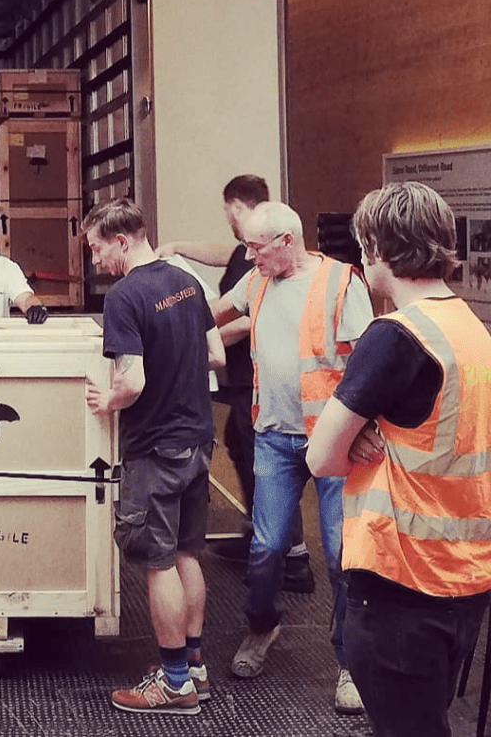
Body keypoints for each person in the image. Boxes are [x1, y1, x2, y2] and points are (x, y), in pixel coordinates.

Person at [307, 182, 491, 737]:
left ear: (376, 250)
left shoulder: (394, 336)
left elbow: (320, 457)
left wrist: (358, 434)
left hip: (400, 579)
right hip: (465, 576)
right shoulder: (469, 325)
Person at [211, 201, 372, 713]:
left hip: (332, 441)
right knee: (266, 546)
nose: (249, 255)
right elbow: (217, 314)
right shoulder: (257, 280)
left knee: (339, 553)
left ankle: (349, 663)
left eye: (257, 247)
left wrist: (365, 427)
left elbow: (370, 362)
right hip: (275, 436)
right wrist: (162, 314)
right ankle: (262, 626)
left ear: (287, 241)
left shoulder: (342, 283)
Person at [82, 199, 224, 715]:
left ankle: (173, 685)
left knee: (158, 562)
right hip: (198, 440)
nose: (95, 261)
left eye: (97, 249)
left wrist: (108, 400)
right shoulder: (184, 281)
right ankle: (194, 667)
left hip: (155, 449)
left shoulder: (125, 297)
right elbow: (215, 354)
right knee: (187, 554)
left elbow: (134, 382)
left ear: (122, 241)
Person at [159, 175, 314, 592]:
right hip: (249, 379)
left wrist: (196, 338)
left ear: (236, 206)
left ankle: (292, 555)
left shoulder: (269, 259)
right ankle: (261, 536)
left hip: (260, 382)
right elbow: (224, 263)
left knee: (268, 460)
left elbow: (244, 317)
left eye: (227, 211)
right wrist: (175, 249)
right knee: (242, 444)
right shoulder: (251, 254)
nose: (246, 250)